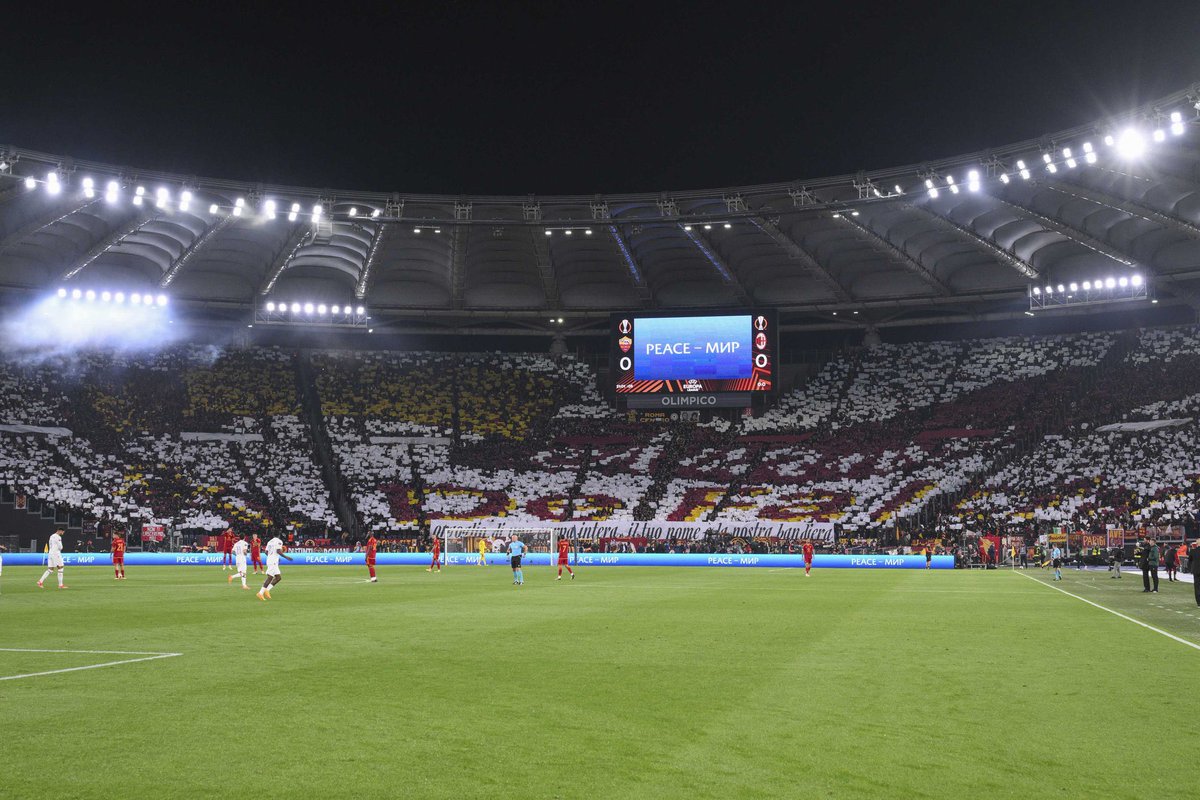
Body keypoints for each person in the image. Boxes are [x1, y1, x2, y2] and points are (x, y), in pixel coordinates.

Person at [257, 534, 293, 601]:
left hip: (271, 561)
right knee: (270, 577)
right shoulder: (279, 541)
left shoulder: (269, 542)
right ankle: (260, 593)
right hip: (273, 562)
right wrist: (286, 557)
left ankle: (267, 590)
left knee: (278, 577)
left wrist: (273, 557)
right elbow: (278, 551)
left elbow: (266, 552)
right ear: (279, 535)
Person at [1188, 541, 1200, 608]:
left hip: (1196, 571)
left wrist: (1190, 569)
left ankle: (1199, 603)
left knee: (1197, 586)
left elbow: (1189, 561)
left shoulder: (1193, 551)